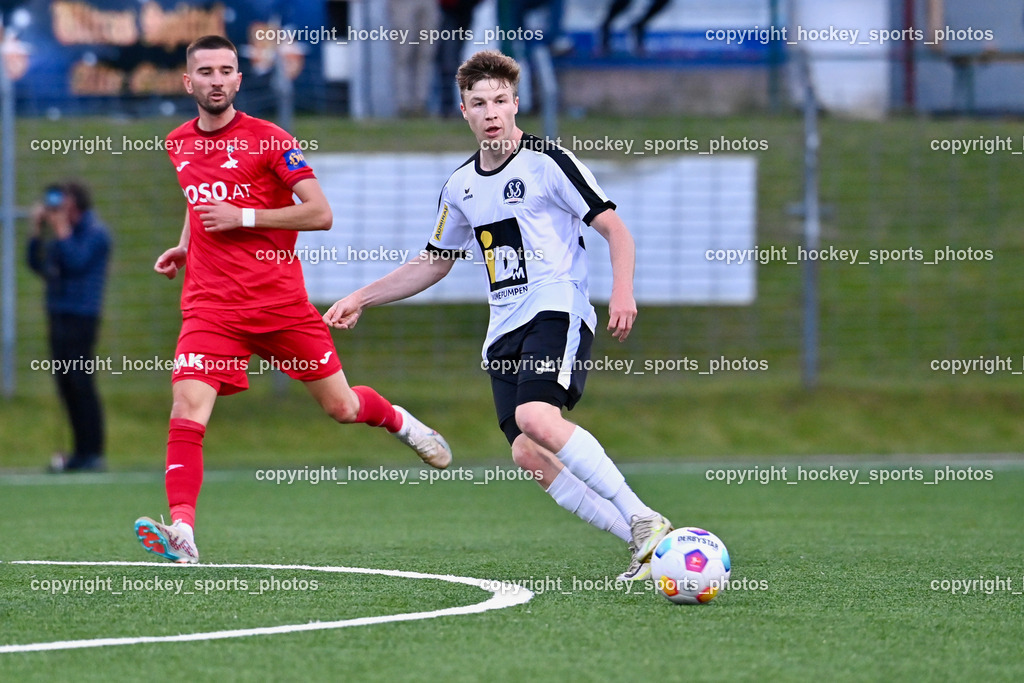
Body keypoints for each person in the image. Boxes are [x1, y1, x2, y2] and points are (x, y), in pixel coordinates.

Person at [325, 50, 671, 581]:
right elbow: (434, 262)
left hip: (557, 307)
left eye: (501, 101)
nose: (492, 112)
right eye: (479, 103)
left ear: (516, 104)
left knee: (537, 418)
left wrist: (622, 291)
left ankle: (643, 516)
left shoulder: (547, 161)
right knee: (529, 454)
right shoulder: (460, 186)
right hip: (504, 328)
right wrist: (361, 297)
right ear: (464, 111)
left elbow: (615, 229)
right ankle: (643, 542)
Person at [133, 35, 452, 565]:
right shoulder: (178, 142)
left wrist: (245, 218)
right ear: (189, 82)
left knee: (343, 407)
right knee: (187, 410)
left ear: (239, 79)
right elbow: (198, 203)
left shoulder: (270, 139)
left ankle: (400, 421)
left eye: (226, 70)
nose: (216, 80)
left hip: (279, 305)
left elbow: (320, 212)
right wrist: (185, 246)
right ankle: (183, 532)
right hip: (211, 308)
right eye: (205, 71)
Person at [27, 181, 111, 473]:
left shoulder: (96, 233)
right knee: (65, 383)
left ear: (76, 205)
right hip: (59, 314)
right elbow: (38, 266)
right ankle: (78, 452)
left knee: (81, 382)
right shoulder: (63, 235)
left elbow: (76, 262)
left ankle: (93, 451)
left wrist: (61, 230)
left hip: (81, 317)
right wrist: (36, 232)